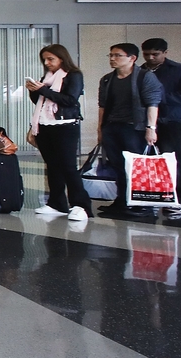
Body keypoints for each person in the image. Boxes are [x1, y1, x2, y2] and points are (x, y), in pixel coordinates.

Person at [25, 44, 91, 223]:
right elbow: (40, 100)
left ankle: (81, 205)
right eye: (44, 60)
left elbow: (69, 99)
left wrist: (42, 90)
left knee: (68, 166)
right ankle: (57, 203)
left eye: (51, 59)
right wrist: (33, 91)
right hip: (45, 125)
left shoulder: (73, 75)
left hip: (65, 125)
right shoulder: (47, 77)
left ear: (62, 58)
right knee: (52, 165)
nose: (47, 63)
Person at [96, 43, 162, 217]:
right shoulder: (107, 79)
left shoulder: (144, 77)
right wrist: (100, 128)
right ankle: (122, 200)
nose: (112, 59)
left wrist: (151, 128)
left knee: (136, 167)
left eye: (117, 55)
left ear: (132, 58)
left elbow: (152, 104)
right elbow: (102, 106)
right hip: (112, 126)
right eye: (111, 55)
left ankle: (141, 204)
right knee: (117, 165)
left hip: (134, 128)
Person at [141, 38, 181, 155]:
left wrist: (155, 99)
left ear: (165, 53)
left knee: (172, 156)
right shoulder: (139, 71)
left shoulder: (177, 70)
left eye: (155, 54)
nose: (150, 57)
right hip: (145, 120)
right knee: (147, 156)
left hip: (172, 120)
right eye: (146, 54)